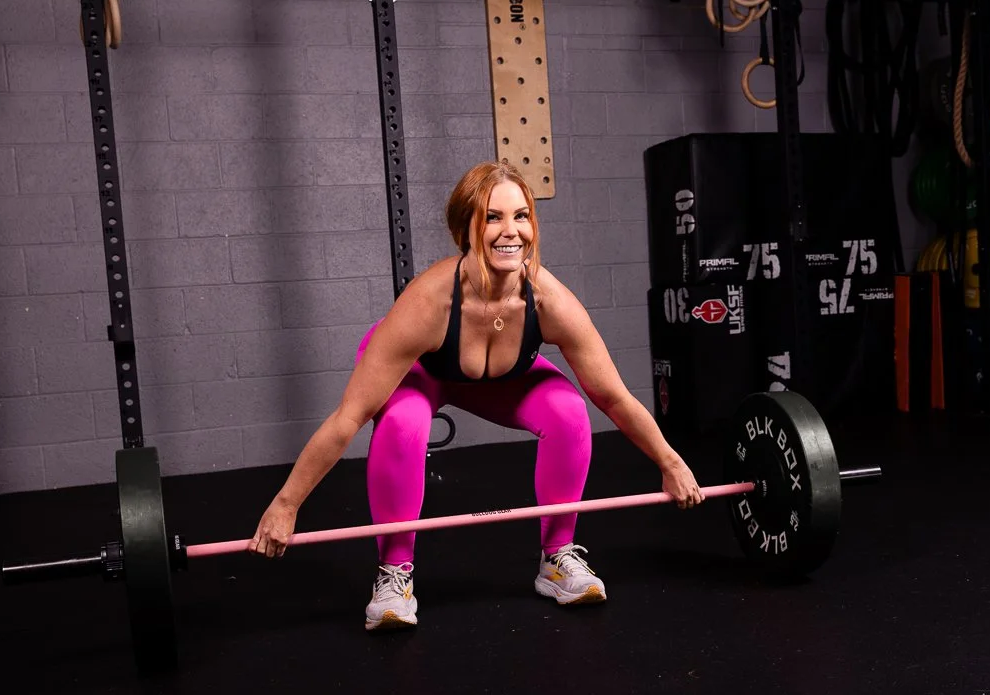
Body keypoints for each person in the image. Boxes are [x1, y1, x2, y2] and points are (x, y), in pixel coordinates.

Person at [248, 159, 704, 630]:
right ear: (465, 227)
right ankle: (394, 574)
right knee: (403, 422)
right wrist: (286, 504)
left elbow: (613, 397)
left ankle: (557, 559)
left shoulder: (548, 300)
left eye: (521, 215)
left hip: (497, 381)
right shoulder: (429, 303)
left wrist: (670, 463)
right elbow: (349, 418)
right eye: (493, 217)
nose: (511, 232)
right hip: (420, 374)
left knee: (570, 409)